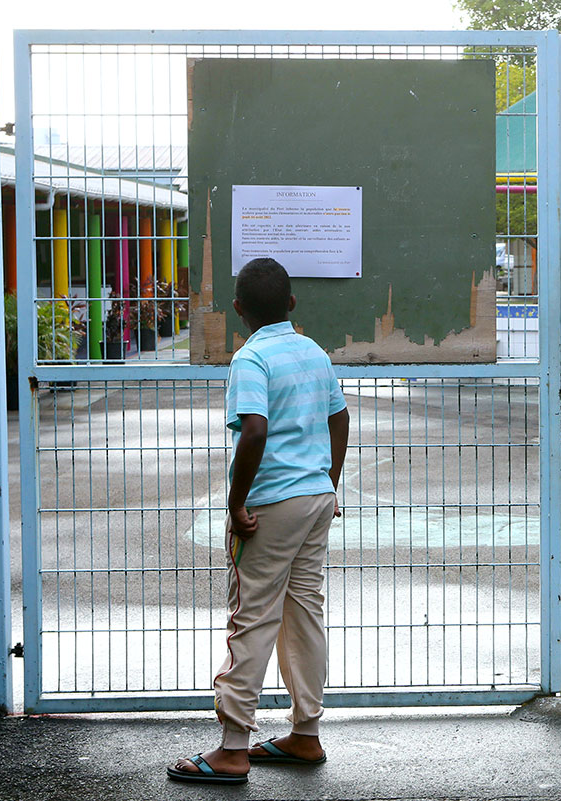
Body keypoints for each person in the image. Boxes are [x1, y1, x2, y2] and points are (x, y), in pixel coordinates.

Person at [169, 257, 349, 785]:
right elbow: (339, 416)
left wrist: (235, 503)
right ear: (292, 303)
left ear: (238, 308)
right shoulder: (312, 350)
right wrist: (329, 481)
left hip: (271, 505)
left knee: (251, 617)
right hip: (316, 499)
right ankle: (305, 734)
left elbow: (253, 431)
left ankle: (231, 749)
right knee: (305, 614)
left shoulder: (251, 359)